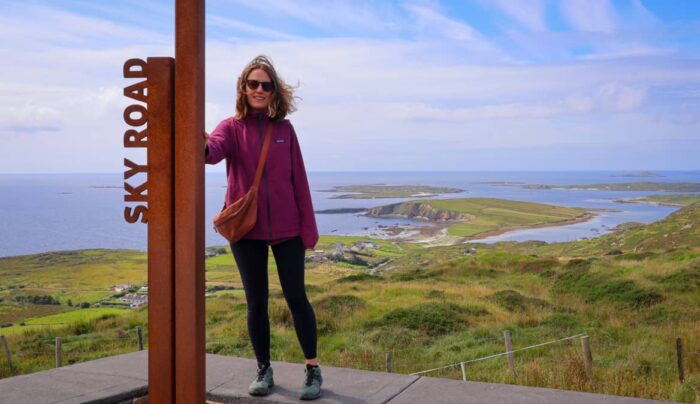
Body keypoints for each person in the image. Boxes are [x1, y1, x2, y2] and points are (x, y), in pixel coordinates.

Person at [204, 55, 322, 400]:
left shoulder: (284, 130)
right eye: (253, 84)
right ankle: (263, 369)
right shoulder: (230, 127)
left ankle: (312, 369)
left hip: (288, 231)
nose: (258, 90)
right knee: (256, 303)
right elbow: (211, 153)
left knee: (297, 298)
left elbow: (299, 180)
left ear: (274, 93)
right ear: (243, 88)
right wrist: (193, 137)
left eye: (265, 85)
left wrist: (308, 229)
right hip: (246, 232)